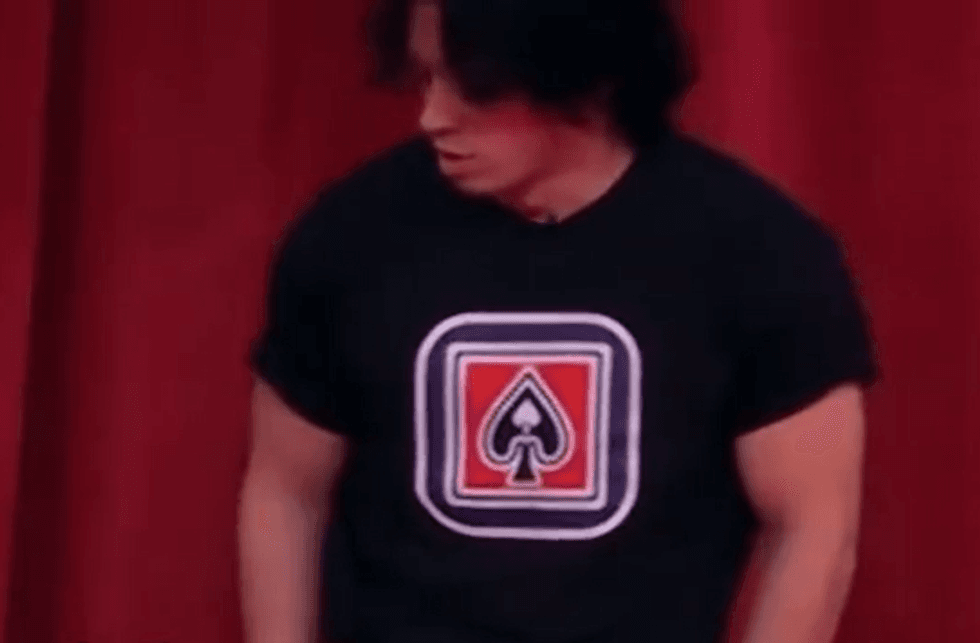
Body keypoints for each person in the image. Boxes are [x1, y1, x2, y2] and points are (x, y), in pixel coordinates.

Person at [238, 1, 881, 642]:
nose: (432, 116)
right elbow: (285, 492)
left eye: (477, 87)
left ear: (584, 77)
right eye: (426, 77)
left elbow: (812, 528)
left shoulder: (760, 252)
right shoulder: (351, 236)